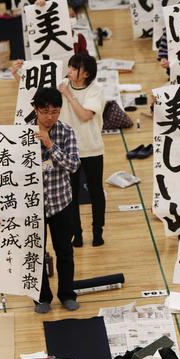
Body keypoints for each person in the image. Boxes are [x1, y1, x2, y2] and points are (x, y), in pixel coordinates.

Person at [31, 87, 81, 313]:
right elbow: (7, 172)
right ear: (35, 110)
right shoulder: (21, 134)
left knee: (65, 252)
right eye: (44, 112)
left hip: (61, 201)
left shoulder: (66, 132)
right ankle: (41, 297)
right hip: (32, 205)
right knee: (36, 252)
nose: (50, 116)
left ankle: (67, 294)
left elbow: (73, 165)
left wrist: (50, 145)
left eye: (55, 111)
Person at [58, 52, 107, 248]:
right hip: (68, 150)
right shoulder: (61, 84)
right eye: (69, 67)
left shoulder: (95, 89)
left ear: (85, 74)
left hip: (92, 148)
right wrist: (18, 74)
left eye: (73, 68)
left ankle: (97, 231)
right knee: (71, 195)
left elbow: (85, 115)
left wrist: (68, 95)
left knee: (96, 192)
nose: (69, 71)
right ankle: (76, 233)